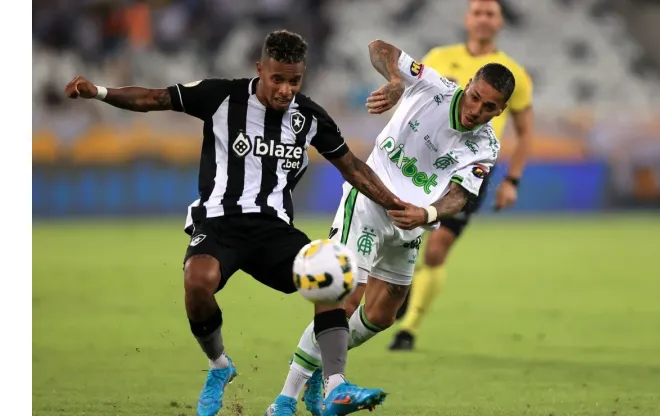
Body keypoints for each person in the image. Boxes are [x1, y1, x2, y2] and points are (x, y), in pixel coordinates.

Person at [65, 30, 405, 416]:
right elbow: (154, 98)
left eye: (294, 81)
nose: (285, 90)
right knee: (197, 282)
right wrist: (100, 92)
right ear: (260, 70)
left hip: (272, 229)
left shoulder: (309, 116)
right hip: (219, 222)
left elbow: (353, 168)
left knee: (329, 274)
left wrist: (395, 204)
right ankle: (219, 366)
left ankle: (334, 384)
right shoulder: (221, 96)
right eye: (277, 79)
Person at [266, 38, 511, 416]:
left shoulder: (487, 145)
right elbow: (379, 46)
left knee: (382, 314)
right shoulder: (433, 85)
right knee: (345, 296)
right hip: (369, 200)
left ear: (501, 110)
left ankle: (320, 366)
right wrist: (396, 79)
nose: (477, 109)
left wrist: (427, 215)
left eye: (489, 106)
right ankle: (286, 399)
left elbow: (460, 196)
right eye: (476, 96)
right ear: (469, 85)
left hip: (412, 221)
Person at [389, 0, 535, 351]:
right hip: (423, 160)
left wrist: (512, 181)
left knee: (437, 248)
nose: (483, 19)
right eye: (478, 12)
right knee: (398, 235)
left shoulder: (513, 74)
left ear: (499, 22)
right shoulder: (439, 57)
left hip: (470, 170)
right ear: (467, 18)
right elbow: (412, 96)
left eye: (491, 13)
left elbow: (525, 131)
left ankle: (408, 328)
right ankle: (399, 287)